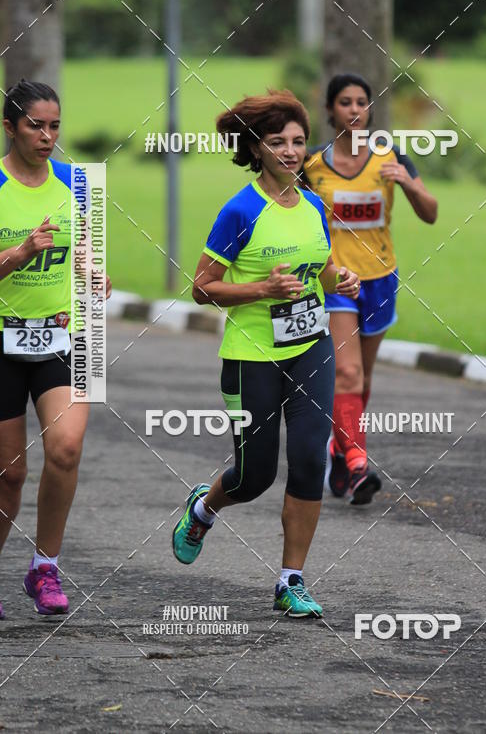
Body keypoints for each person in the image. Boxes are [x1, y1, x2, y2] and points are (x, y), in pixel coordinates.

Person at [171, 90, 360, 618]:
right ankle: (204, 508)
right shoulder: (240, 210)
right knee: (254, 476)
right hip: (250, 356)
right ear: (256, 148)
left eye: (298, 141)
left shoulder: (314, 205)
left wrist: (338, 276)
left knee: (307, 462)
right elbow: (202, 288)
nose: (291, 151)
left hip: (311, 348)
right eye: (277, 142)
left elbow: (317, 267)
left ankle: (290, 580)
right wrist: (259, 290)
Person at [0, 79, 111, 617]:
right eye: (35, 126)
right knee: (10, 472)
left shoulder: (80, 184)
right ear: (9, 128)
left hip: (63, 337)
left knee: (65, 447)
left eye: (55, 126)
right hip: (0, 339)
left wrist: (93, 279)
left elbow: (86, 259)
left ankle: (45, 567)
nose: (47, 136)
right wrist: (16, 255)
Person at [304, 73, 438, 505]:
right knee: (346, 373)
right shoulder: (311, 166)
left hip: (381, 279)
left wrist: (408, 182)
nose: (355, 109)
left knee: (362, 378)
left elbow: (431, 213)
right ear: (329, 110)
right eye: (345, 102)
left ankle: (338, 446)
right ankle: (359, 465)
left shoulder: (390, 158)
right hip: (337, 282)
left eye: (362, 101)